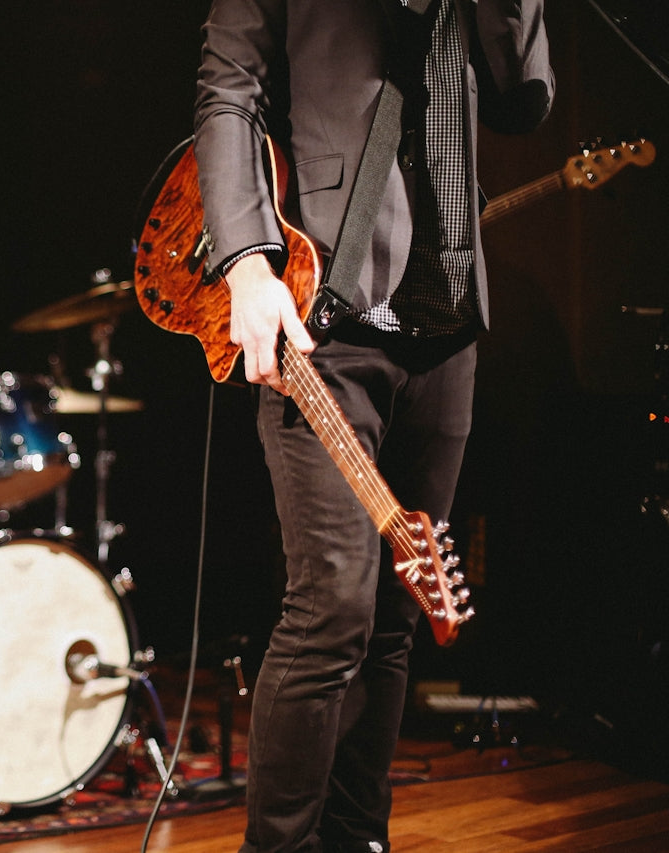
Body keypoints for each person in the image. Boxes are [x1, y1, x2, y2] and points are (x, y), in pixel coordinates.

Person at [193, 1, 553, 851]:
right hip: (326, 312)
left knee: (395, 612)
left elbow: (522, 99)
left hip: (447, 321)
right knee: (333, 607)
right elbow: (227, 91)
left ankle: (358, 837)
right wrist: (245, 265)